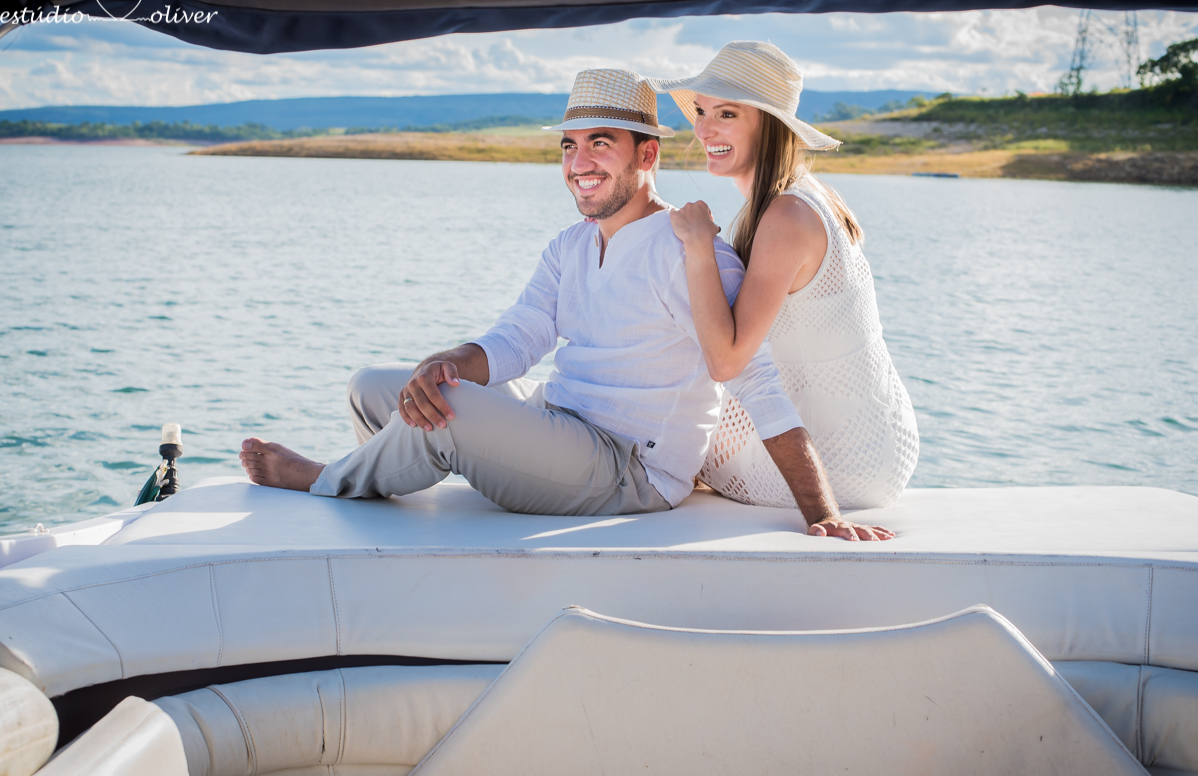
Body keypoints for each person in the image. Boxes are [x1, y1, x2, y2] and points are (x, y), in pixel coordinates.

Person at [239, 68, 892, 541]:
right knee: (377, 389)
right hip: (558, 419)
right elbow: (519, 337)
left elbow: (757, 382)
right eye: (569, 145)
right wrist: (450, 360)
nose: (580, 162)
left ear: (648, 153)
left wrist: (823, 513)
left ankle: (325, 478)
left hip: (627, 467)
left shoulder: (693, 253)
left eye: (600, 143)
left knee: (450, 412)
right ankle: (378, 489)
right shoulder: (569, 246)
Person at [652, 41, 919, 510]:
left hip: (841, 461)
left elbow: (726, 362)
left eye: (727, 114)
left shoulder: (787, 217)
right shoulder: (807, 196)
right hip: (876, 440)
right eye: (701, 111)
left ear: (770, 125)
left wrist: (697, 243)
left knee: (649, 429)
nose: (704, 129)